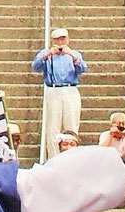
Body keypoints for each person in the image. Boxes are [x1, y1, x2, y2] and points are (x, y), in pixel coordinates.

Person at [32, 25, 86, 155]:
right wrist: (47, 55)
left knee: (72, 124)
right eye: (57, 40)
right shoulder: (46, 53)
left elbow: (83, 68)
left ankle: (72, 154)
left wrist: (71, 55)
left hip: (70, 89)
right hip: (53, 89)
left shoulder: (74, 54)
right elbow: (35, 66)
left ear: (67, 40)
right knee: (52, 127)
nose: (60, 43)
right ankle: (53, 157)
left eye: (63, 39)